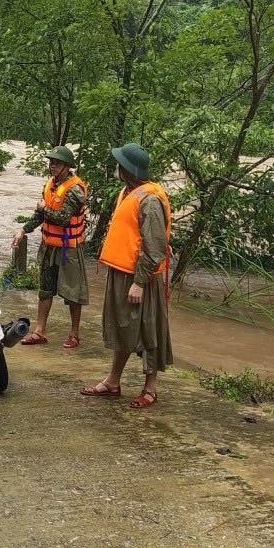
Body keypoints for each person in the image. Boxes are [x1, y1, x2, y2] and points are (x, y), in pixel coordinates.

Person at [80, 142, 172, 409]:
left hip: (140, 278)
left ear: (127, 169)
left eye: (119, 164)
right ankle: (112, 382)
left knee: (147, 331)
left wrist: (140, 283)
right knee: (122, 328)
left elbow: (154, 247)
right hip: (122, 274)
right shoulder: (128, 192)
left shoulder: (150, 200)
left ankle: (150, 389)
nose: (116, 168)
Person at [11, 145, 89, 348]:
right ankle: (40, 331)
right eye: (51, 162)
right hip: (49, 246)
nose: (52, 165)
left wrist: (44, 208)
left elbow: (63, 218)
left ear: (67, 166)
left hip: (68, 249)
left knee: (73, 293)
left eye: (57, 162)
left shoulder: (75, 190)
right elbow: (40, 216)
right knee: (45, 289)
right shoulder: (50, 185)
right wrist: (23, 230)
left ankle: (74, 334)